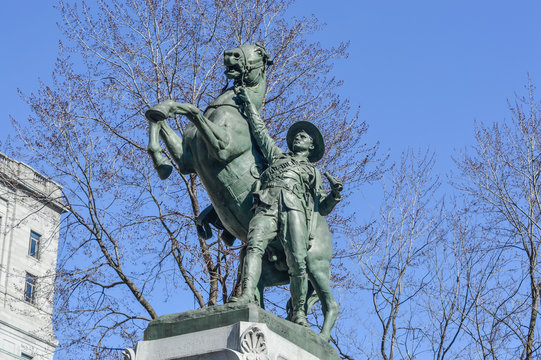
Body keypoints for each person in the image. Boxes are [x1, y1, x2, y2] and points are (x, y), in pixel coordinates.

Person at [230, 87, 342, 327]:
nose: (299, 136)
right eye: (298, 135)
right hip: (267, 205)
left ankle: (298, 312)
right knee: (253, 247)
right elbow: (261, 133)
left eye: (305, 137)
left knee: (298, 262)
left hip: (295, 212)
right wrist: (249, 105)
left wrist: (335, 194)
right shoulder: (277, 157)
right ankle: (247, 295)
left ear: (311, 147)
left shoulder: (313, 172)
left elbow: (321, 206)